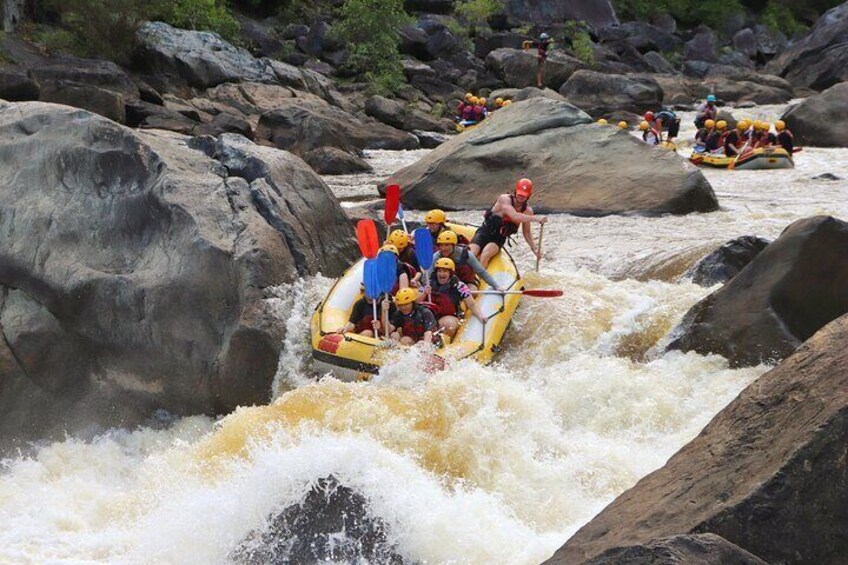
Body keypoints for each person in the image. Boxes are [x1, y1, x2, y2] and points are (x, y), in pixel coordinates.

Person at [469, 178, 547, 268]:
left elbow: (527, 232)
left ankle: (480, 279)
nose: (521, 197)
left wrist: (534, 249)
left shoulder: (527, 211)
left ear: (528, 196)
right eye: (519, 194)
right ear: (515, 191)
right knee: (471, 253)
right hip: (484, 232)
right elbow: (514, 216)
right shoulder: (504, 199)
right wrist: (536, 218)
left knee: (486, 254)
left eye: (524, 196)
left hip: (498, 239)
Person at [422, 258, 486, 339]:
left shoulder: (459, 286)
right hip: (430, 317)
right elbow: (417, 302)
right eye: (439, 271)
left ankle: (445, 341)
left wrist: (480, 315)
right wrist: (424, 292)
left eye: (445, 271)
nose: (441, 274)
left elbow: (471, 304)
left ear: (450, 273)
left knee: (448, 324)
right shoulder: (428, 284)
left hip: (448, 316)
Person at [432, 230, 500, 292]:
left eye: (446, 245)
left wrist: (496, 286)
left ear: (454, 245)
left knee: (472, 292)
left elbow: (481, 272)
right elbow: (429, 274)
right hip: (445, 282)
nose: (443, 248)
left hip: (466, 282)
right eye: (441, 245)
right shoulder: (436, 256)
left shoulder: (466, 255)